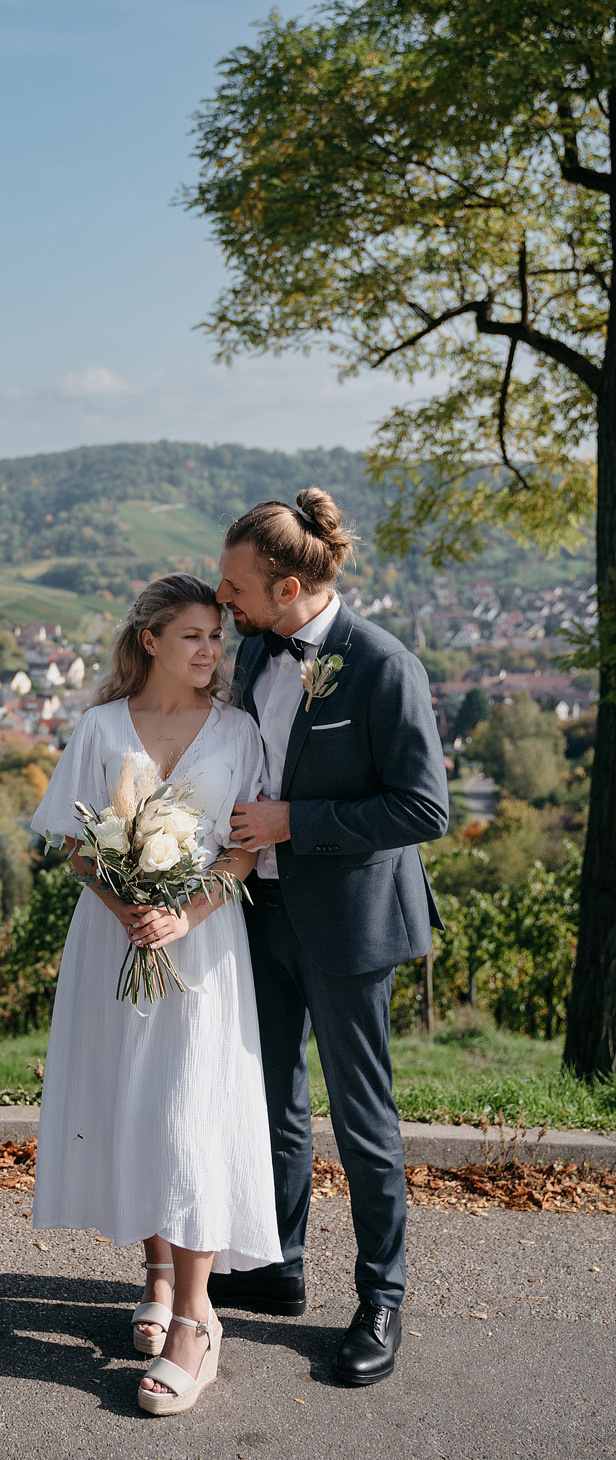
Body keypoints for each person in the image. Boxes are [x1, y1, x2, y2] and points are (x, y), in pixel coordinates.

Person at [30, 573, 280, 1416]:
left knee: (189, 1113)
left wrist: (187, 916)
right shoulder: (101, 729)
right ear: (150, 642)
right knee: (135, 1105)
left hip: (205, 951)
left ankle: (197, 1322)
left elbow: (242, 850)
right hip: (116, 941)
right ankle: (159, 1272)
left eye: (218, 636)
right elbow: (74, 841)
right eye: (193, 637)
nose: (212, 652)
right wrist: (129, 905)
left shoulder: (239, 730)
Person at [214, 489, 449, 1386]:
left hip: (350, 926)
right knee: (272, 1098)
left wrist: (292, 822)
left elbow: (422, 807)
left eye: (236, 586)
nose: (223, 599)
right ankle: (279, 1267)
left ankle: (380, 1298)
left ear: (285, 586)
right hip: (260, 914)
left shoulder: (385, 667)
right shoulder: (256, 648)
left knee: (361, 1118)